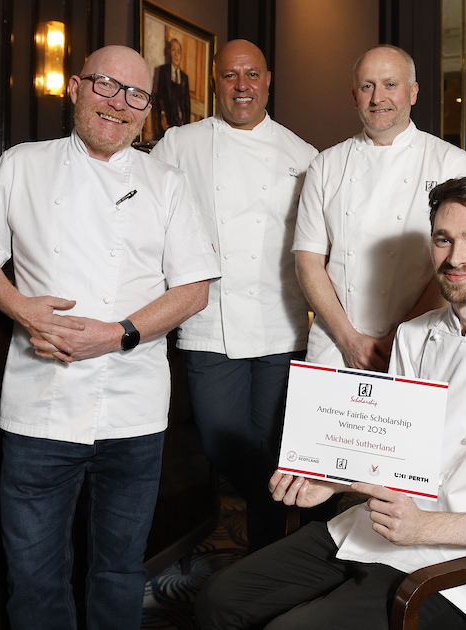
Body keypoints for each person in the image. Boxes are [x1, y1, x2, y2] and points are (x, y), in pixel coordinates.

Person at [196, 176, 466, 630]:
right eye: (443, 240)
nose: (455, 257)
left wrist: (426, 528)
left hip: (461, 564)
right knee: (220, 600)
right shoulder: (413, 334)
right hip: (376, 528)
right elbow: (394, 461)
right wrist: (331, 481)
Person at [0, 45, 219, 630]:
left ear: (147, 109)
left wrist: (120, 334)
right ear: (74, 88)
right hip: (39, 408)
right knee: (34, 573)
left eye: (135, 95)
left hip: (134, 413)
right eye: (105, 86)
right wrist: (22, 308)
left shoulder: (165, 181)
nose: (119, 105)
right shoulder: (23, 163)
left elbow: (194, 288)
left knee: (120, 571)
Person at [151, 39, 320, 550]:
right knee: (222, 440)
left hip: (281, 321)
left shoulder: (304, 154)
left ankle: (265, 559)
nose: (241, 86)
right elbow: (144, 212)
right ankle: (294, 515)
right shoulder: (178, 144)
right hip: (209, 320)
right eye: (229, 76)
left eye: (251, 75)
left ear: (268, 81)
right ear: (215, 83)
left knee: (271, 442)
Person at [294, 45, 466, 372]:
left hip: (421, 339)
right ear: (355, 96)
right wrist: (349, 339)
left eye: (390, 84)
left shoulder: (451, 162)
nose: (378, 98)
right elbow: (308, 262)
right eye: (367, 86)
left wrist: (398, 338)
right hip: (336, 343)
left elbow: (458, 264)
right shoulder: (325, 165)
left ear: (413, 92)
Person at [153, 37, 191, 136]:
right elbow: (160, 96)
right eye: (173, 50)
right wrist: (163, 115)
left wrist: (187, 125)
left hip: (180, 121)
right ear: (169, 52)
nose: (176, 54)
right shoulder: (164, 71)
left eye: (179, 51)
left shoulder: (184, 77)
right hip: (168, 119)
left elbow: (187, 103)